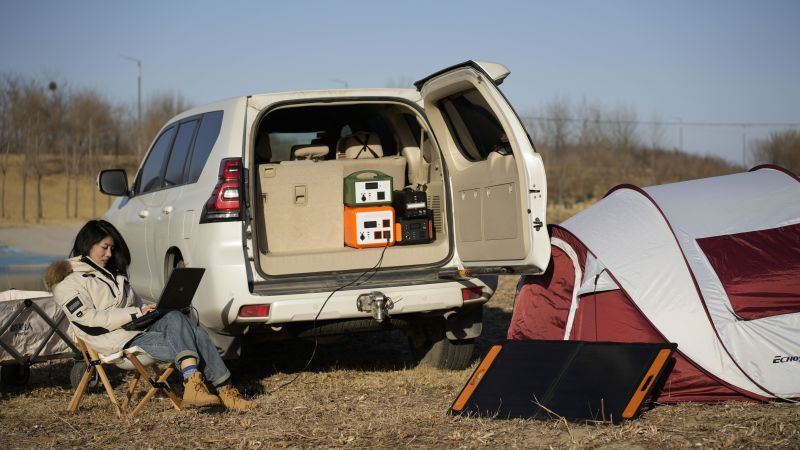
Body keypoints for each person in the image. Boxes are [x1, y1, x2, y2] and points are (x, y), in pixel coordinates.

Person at [44, 219, 255, 411]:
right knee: (195, 337)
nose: (109, 254)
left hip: (137, 331)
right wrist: (135, 313)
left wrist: (149, 310)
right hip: (115, 342)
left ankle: (205, 387)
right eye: (104, 247)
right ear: (87, 244)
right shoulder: (67, 281)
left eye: (112, 248)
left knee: (174, 316)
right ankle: (215, 389)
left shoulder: (112, 274)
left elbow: (136, 306)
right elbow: (90, 318)